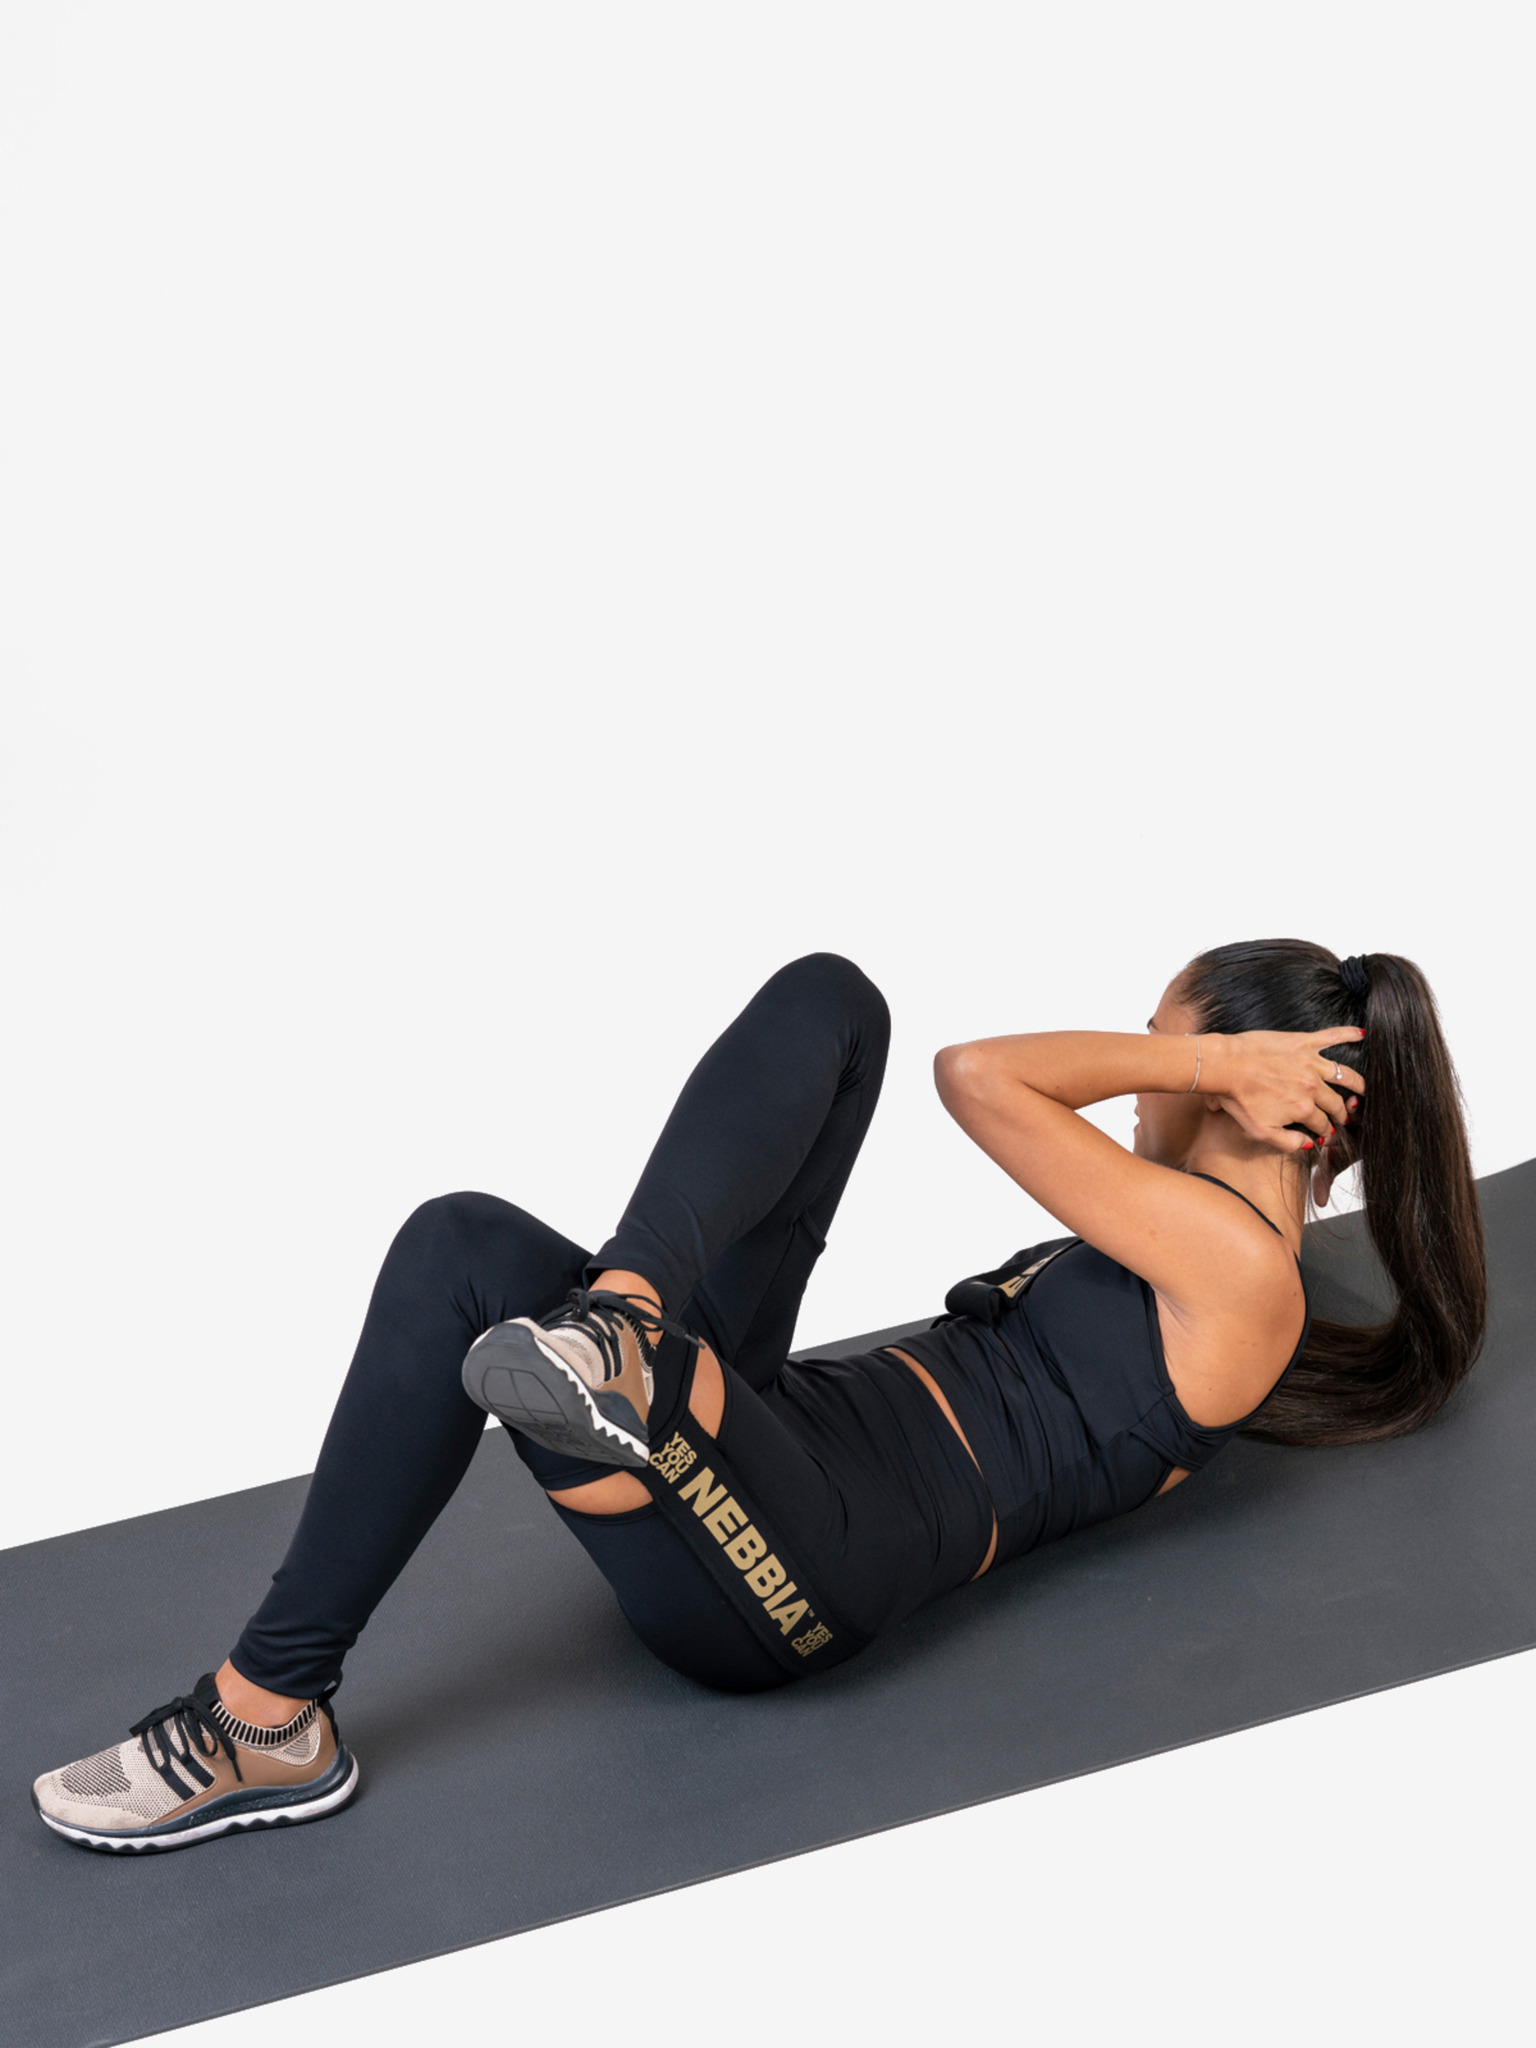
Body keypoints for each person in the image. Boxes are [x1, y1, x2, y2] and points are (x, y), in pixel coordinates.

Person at [32, 944, 1486, 1853]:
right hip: (781, 1423)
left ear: (1241, 1084)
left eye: (1165, 1050)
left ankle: (266, 1721)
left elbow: (980, 1079)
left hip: (805, 1558)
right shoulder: (1192, 1234)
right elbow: (941, 1063)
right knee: (819, 1012)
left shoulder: (1245, 1274)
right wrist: (1206, 1056)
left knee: (538, 1291)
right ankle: (625, 1323)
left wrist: (1205, 1055)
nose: (1143, 1083)